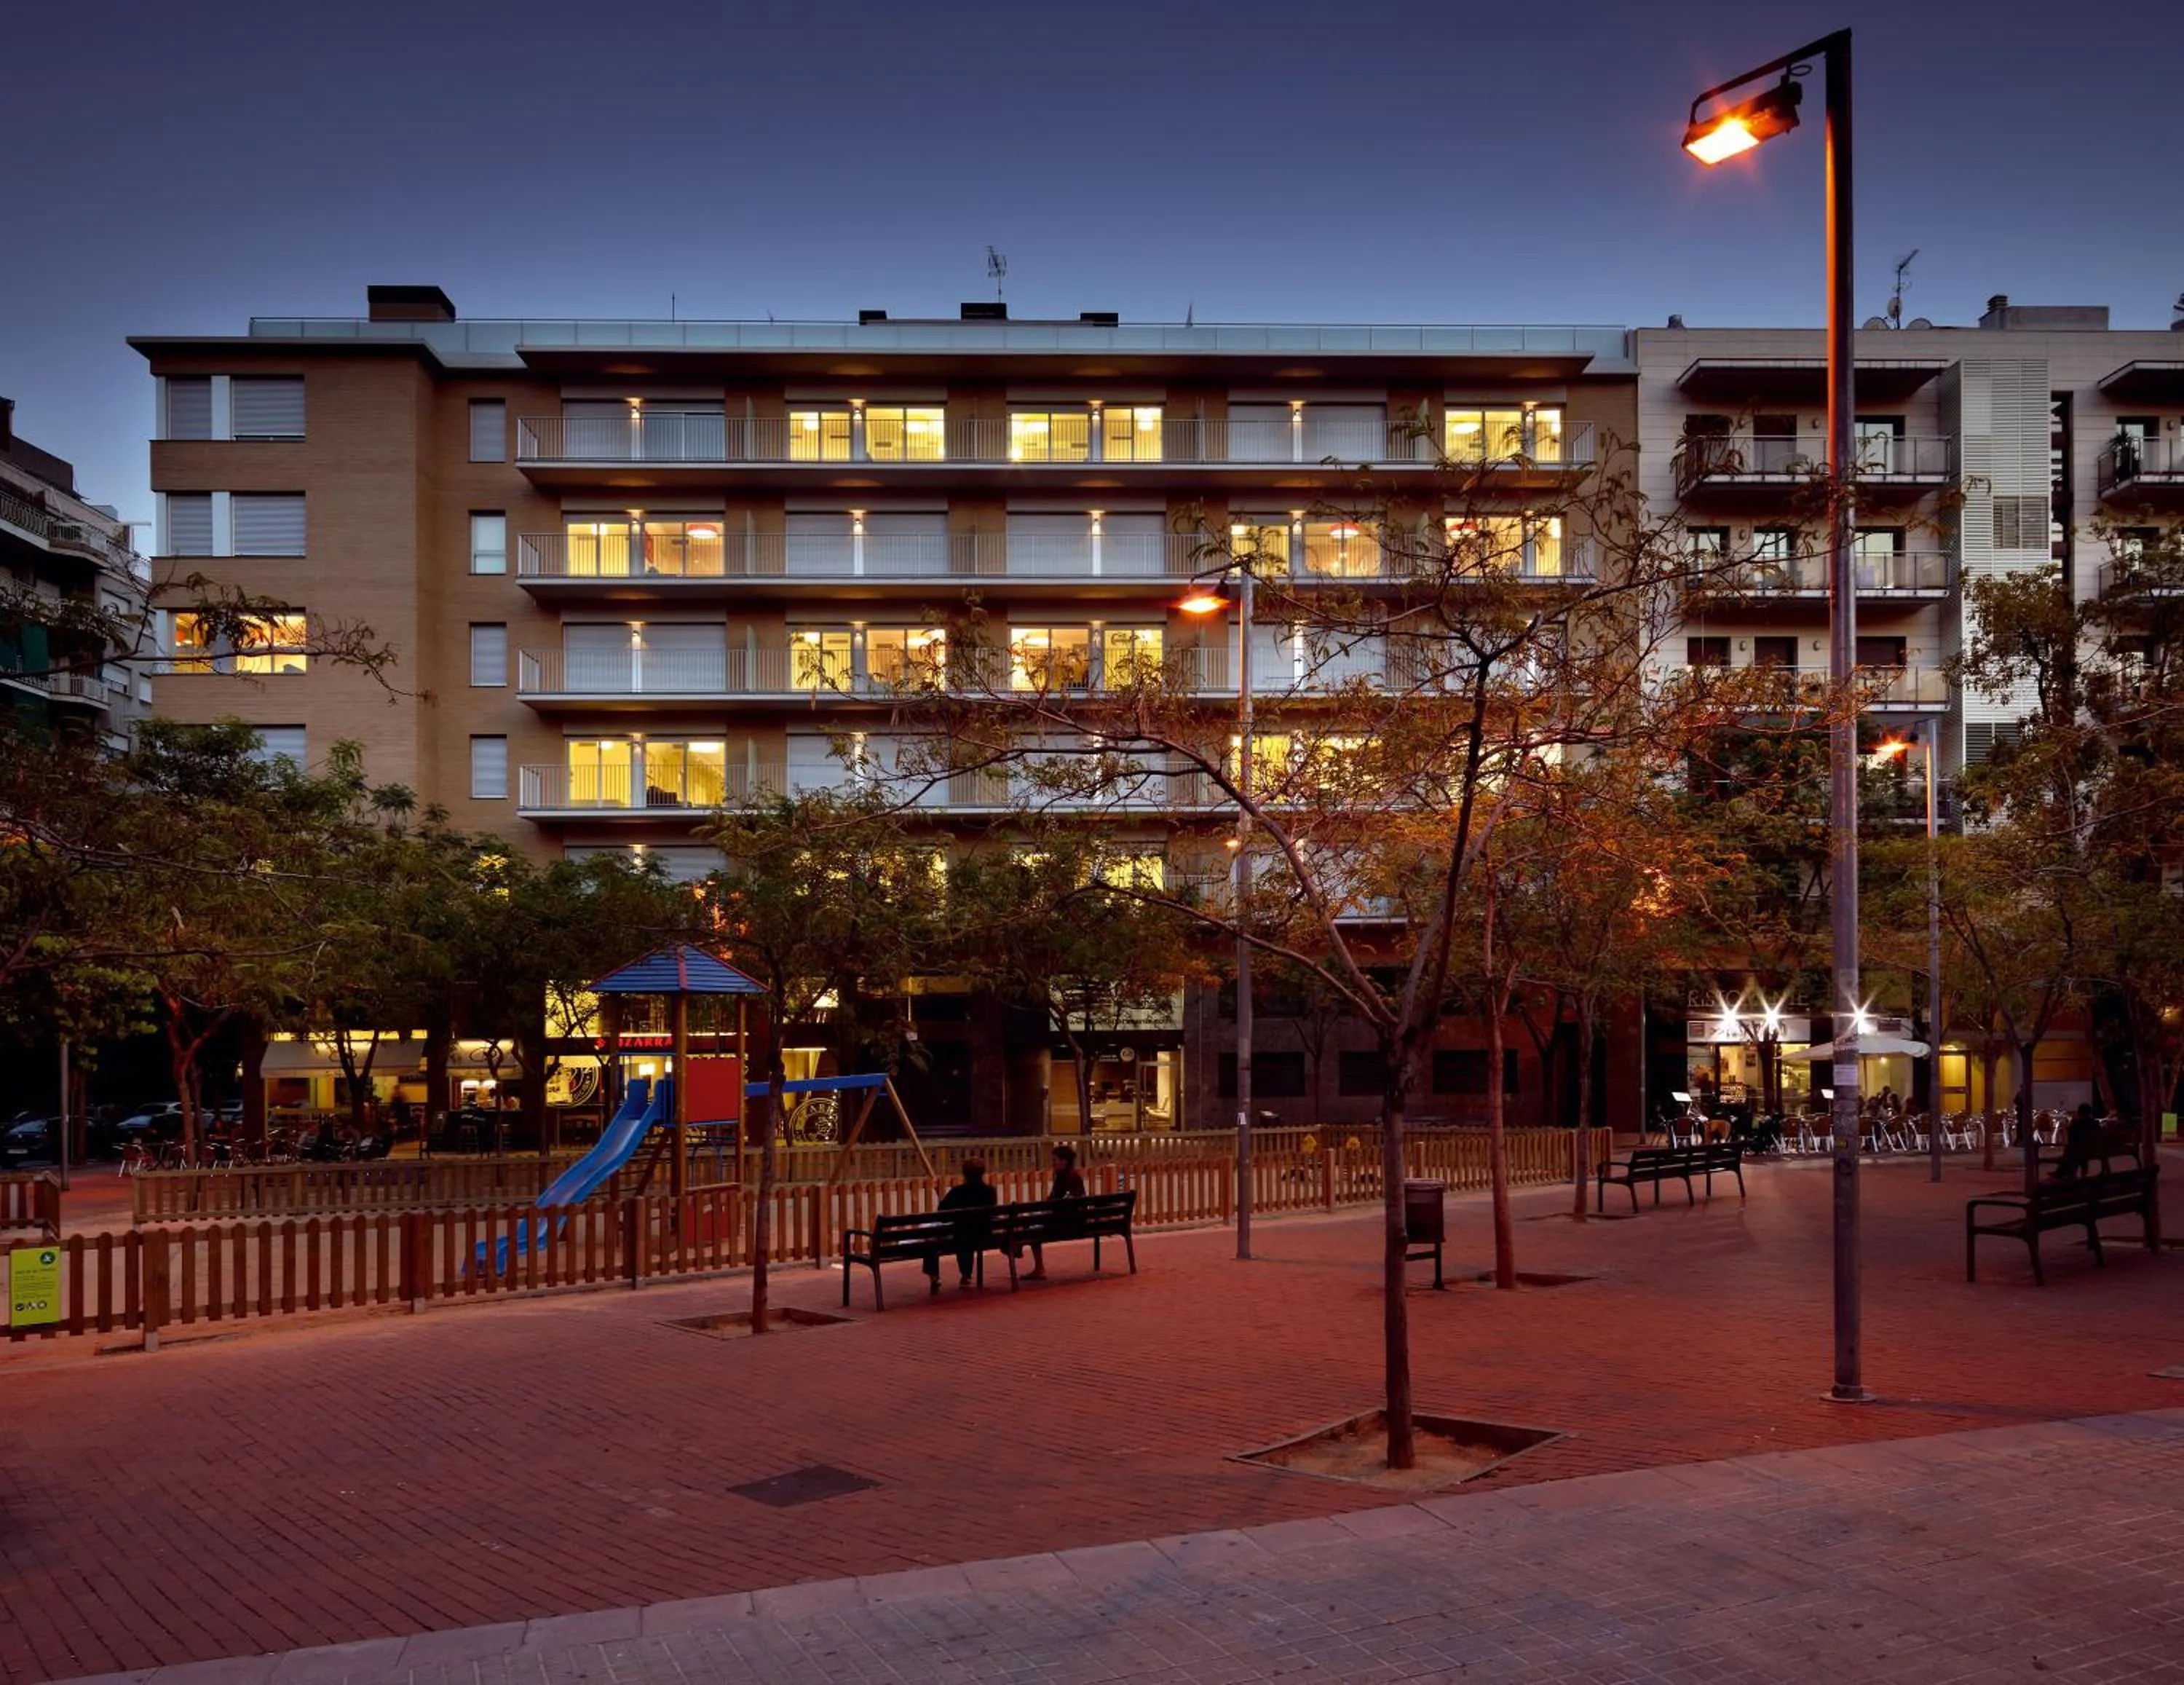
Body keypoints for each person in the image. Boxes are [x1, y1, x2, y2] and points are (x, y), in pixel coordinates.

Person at [925, 1159, 998, 1291]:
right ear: (982, 1173)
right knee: (967, 1234)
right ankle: (966, 1275)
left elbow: (942, 1214)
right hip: (985, 1235)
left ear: (964, 1174)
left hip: (960, 1237)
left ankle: (934, 1276)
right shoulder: (990, 1191)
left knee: (931, 1241)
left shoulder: (958, 1192)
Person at [1023, 1143, 1087, 1281]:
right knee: (1032, 1221)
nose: (1052, 1164)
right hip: (1073, 1221)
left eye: (1054, 1160)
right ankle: (1022, 1251)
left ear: (1064, 1161)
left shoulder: (1067, 1178)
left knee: (1032, 1228)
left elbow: (1060, 1203)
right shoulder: (1070, 1176)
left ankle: (1038, 1267)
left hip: (1065, 1224)